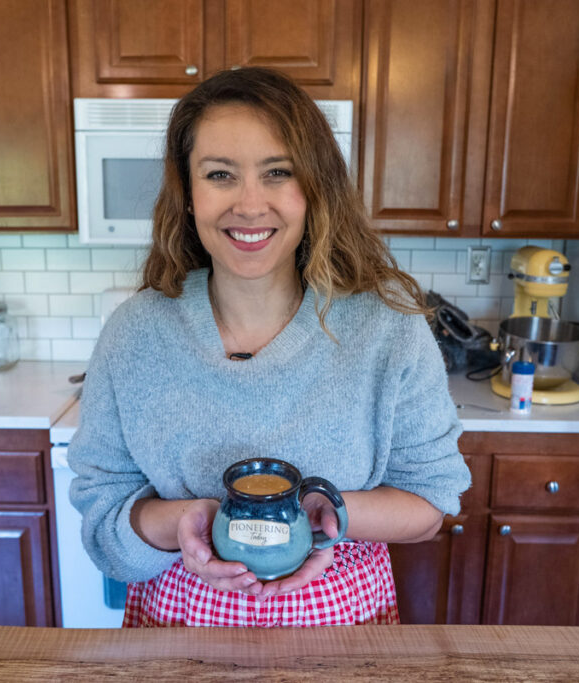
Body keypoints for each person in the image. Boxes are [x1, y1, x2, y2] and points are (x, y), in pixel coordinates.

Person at [68, 67, 471, 628]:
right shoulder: (134, 333)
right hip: (175, 631)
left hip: (345, 627)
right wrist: (185, 522)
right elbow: (103, 516)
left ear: (314, 189)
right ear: (187, 194)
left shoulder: (388, 330)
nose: (250, 205)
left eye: (278, 172)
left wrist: (327, 514)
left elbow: (432, 506)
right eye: (220, 175)